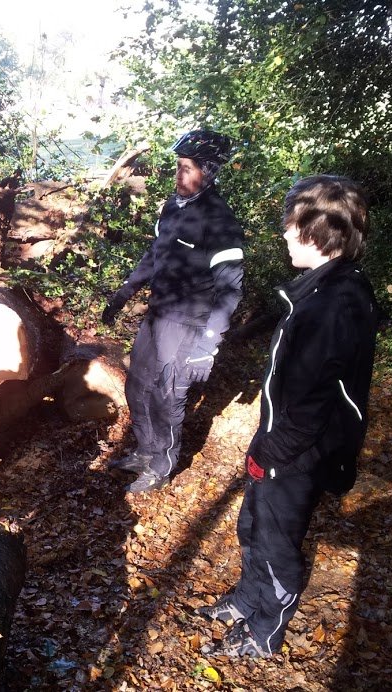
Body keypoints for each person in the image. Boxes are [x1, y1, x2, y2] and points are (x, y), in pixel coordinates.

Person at [197, 175, 379, 658]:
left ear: (318, 231)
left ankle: (265, 629)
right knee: (253, 525)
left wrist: (270, 452)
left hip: (300, 450)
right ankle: (248, 599)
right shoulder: (323, 287)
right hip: (282, 439)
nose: (284, 233)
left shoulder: (335, 301)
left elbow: (315, 401)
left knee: (276, 541)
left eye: (291, 224)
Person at [102, 129, 244, 493]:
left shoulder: (220, 222)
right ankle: (145, 451)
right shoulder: (172, 207)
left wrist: (208, 345)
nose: (178, 174)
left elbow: (230, 289)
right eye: (177, 166)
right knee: (137, 385)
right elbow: (154, 255)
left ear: (208, 172)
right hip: (157, 314)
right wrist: (124, 292)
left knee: (166, 395)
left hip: (188, 322)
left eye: (186, 168)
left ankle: (160, 466)